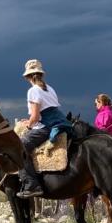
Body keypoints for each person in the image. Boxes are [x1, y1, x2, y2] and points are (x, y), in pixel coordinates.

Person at [16, 60, 73, 199]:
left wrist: (29, 125)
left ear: (28, 77)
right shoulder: (49, 88)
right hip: (58, 121)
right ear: (41, 74)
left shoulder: (33, 90)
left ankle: (31, 185)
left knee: (19, 148)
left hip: (45, 126)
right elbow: (44, 111)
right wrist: (29, 120)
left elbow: (35, 117)